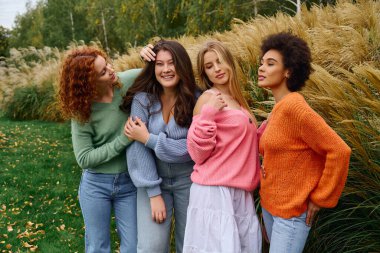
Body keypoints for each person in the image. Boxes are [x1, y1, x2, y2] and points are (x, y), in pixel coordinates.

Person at [257, 32, 351, 253]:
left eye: (270, 64)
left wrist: (321, 198)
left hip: (290, 215)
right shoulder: (279, 108)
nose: (261, 68)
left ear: (288, 71)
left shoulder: (295, 108)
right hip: (271, 208)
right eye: (262, 63)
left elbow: (339, 150)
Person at [58, 46, 140, 253]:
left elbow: (158, 71)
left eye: (107, 64)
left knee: (133, 247)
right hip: (96, 186)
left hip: (129, 183)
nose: (111, 70)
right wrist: (124, 139)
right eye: (103, 72)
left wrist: (150, 52)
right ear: (89, 84)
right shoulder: (82, 110)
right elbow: (84, 158)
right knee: (97, 247)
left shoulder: (127, 81)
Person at [183, 41, 262, 253]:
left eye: (220, 61)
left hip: (240, 191)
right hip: (215, 191)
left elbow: (244, 144)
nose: (217, 69)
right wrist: (208, 114)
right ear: (205, 73)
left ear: (230, 62)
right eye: (209, 66)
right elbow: (196, 153)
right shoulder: (209, 99)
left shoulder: (238, 101)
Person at [120, 40, 198, 253]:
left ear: (182, 65)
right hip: (153, 183)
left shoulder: (197, 98)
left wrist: (149, 139)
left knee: (192, 246)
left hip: (189, 181)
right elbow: (136, 146)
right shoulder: (143, 99)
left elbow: (193, 147)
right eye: (159, 64)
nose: (166, 70)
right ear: (152, 68)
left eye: (171, 63)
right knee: (150, 247)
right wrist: (154, 193)